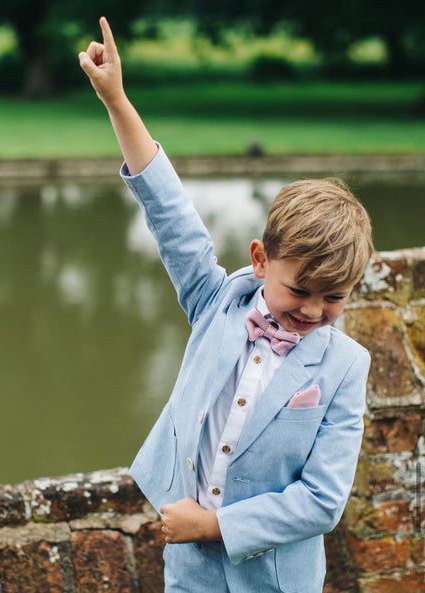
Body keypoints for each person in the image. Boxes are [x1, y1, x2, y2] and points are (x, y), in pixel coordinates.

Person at [79, 17, 373, 593]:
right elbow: (171, 214)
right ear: (261, 259)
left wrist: (213, 525)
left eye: (334, 297)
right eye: (300, 291)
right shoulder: (215, 302)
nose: (314, 312)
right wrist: (116, 98)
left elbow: (321, 502)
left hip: (276, 581)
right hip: (189, 574)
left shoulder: (345, 368)